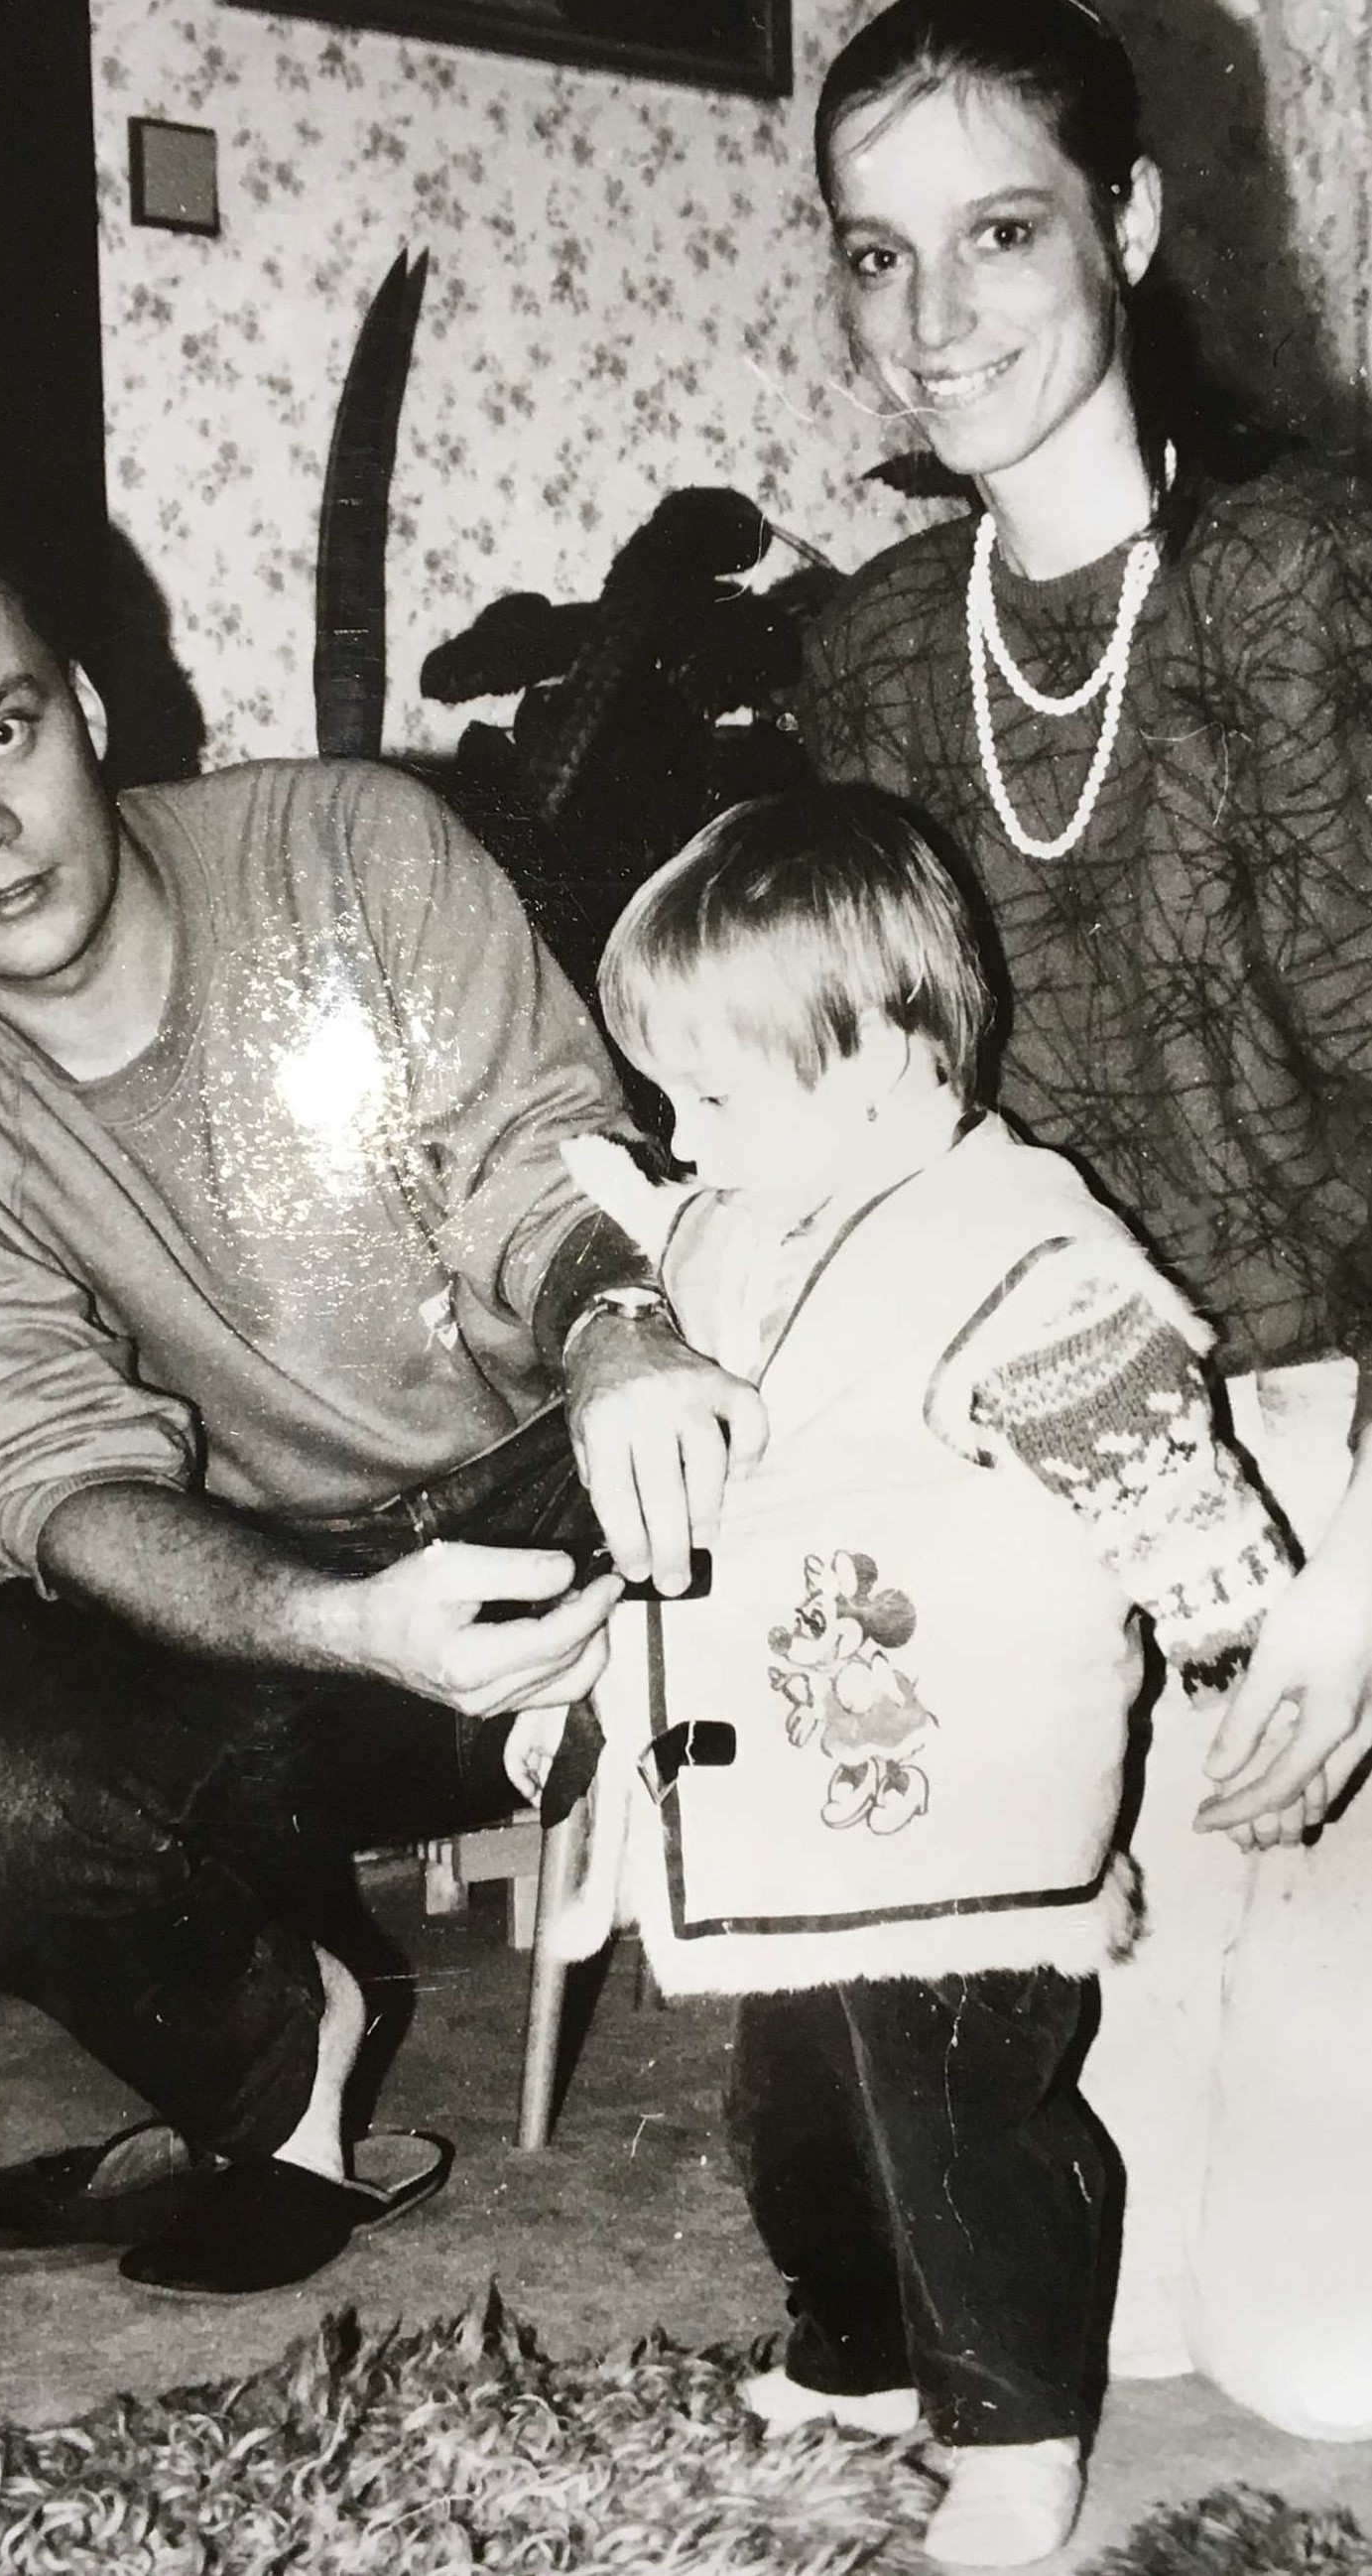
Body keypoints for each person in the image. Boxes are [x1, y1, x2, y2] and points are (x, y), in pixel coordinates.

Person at [0, 471, 765, 2298]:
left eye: (1, 730)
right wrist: (349, 1621)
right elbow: (49, 1481)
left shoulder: (350, 846)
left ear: (85, 706)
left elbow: (545, 1170)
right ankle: (282, 2070)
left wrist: (619, 1329)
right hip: (276, 1606)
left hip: (563, 1489)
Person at [788, 0, 1372, 2432]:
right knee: (1095, 2311)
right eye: (873, 254)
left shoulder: (1299, 581)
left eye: (998, 231)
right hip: (1087, 1489)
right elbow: (880, 1171)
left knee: (1318, 2356)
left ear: (1123, 224)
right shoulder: (862, 655)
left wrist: (1350, 1558)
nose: (932, 318)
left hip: (1347, 1454)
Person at [514, 781, 1292, 2567]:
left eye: (716, 1096)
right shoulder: (747, 1206)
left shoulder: (1014, 1249)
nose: (687, 1137)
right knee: (788, 2110)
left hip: (965, 1799)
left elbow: (1160, 1477)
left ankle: (1015, 2418)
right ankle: (857, 2346)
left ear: (880, 1064)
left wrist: (1232, 1637)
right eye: (669, 1095)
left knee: (957, 2119)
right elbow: (676, 1318)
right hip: (798, 1812)